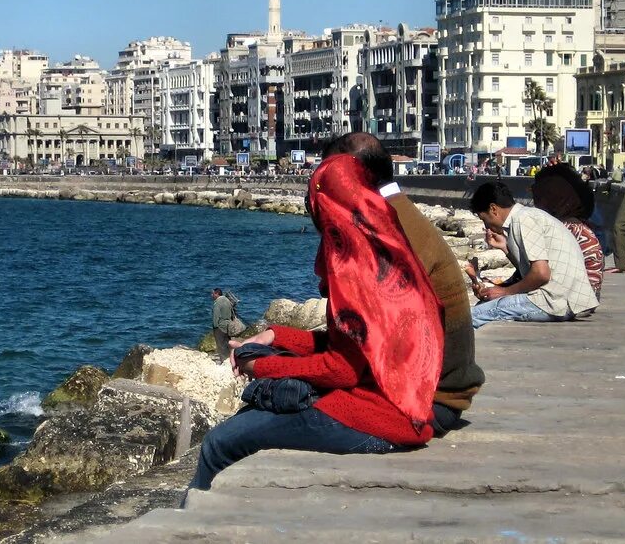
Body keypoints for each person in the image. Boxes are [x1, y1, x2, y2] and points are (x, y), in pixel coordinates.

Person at [186, 154, 443, 492]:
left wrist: (261, 367)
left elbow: (343, 370)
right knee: (252, 418)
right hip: (406, 407)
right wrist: (275, 335)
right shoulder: (387, 250)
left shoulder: (354, 269)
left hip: (380, 417)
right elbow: (358, 348)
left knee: (220, 443)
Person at [323, 132, 485, 436]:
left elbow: (360, 349)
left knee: (274, 413)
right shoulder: (399, 212)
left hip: (428, 403)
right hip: (438, 393)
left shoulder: (388, 228)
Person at [468, 181, 598, 329]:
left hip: (554, 301)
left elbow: (541, 274)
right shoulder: (529, 215)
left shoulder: (523, 220)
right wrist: (505, 247)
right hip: (568, 298)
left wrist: (504, 292)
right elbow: (532, 271)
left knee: (472, 316)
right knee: (484, 305)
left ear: (493, 209)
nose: (486, 226)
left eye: (484, 219)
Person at [531, 163, 604, 298]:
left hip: (573, 299)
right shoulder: (580, 224)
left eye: (538, 194)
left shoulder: (566, 230)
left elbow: (540, 275)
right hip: (585, 295)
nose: (535, 201)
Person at [210, 288, 234, 362]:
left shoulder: (217, 302)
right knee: (227, 343)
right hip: (228, 325)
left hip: (220, 326)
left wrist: (214, 326)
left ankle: (223, 360)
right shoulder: (227, 300)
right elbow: (232, 314)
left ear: (217, 294)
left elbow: (216, 316)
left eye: (213, 293)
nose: (211, 295)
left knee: (220, 344)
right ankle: (230, 359)